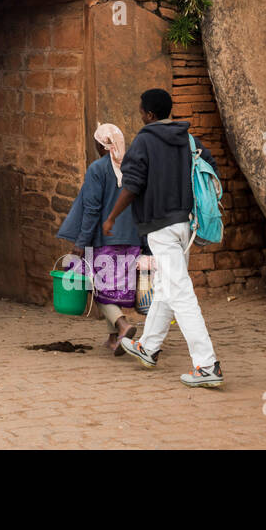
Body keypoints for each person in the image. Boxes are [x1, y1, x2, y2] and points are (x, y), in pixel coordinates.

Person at [104, 88, 225, 388]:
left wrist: (111, 217)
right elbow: (210, 167)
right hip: (186, 225)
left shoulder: (144, 140)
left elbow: (131, 185)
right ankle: (148, 347)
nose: (140, 115)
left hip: (160, 227)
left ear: (149, 114)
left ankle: (207, 364)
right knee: (165, 286)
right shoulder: (187, 138)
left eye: (141, 110)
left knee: (180, 292)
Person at [56, 123, 141, 352]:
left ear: (101, 145)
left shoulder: (97, 169)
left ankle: (122, 326)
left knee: (100, 290)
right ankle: (114, 339)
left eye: (96, 143)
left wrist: (80, 244)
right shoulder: (135, 167)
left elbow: (92, 210)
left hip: (105, 241)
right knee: (113, 288)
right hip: (132, 239)